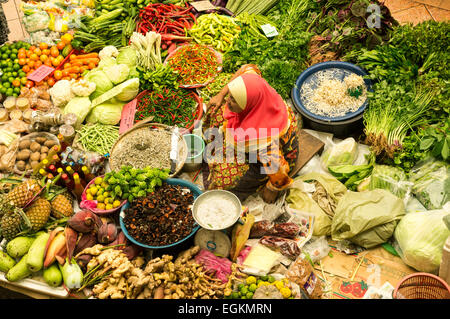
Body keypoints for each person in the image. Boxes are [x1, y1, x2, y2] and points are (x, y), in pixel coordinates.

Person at [202, 64, 301, 203]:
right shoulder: (254, 84)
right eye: (230, 96)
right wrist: (221, 94)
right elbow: (246, 68)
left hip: (276, 157)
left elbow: (278, 169)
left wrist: (272, 189)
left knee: (223, 180)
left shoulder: (263, 140)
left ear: (248, 106)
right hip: (270, 118)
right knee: (216, 111)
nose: (228, 101)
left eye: (234, 100)